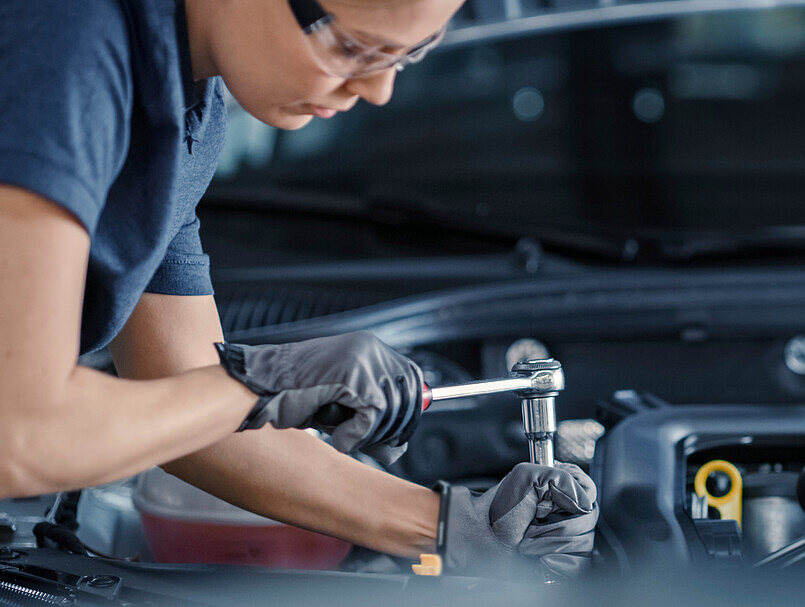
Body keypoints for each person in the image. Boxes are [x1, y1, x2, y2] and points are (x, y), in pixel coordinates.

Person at [0, 0, 596, 577]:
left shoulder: (185, 107)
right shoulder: (66, 39)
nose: (378, 89)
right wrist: (260, 383)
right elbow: (20, 431)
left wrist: (458, 527)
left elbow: (182, 400)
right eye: (353, 47)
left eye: (410, 56)